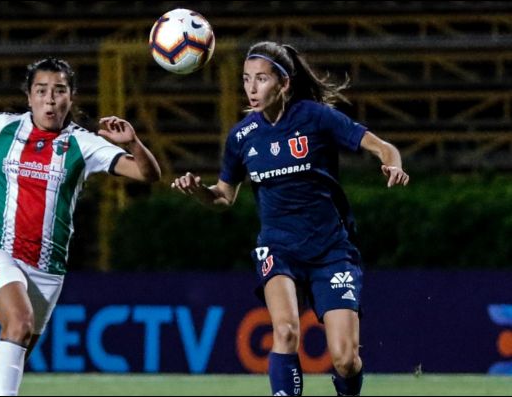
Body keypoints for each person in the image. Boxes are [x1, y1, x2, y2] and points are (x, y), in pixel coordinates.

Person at [0, 57, 161, 396]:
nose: (50, 99)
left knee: (12, 353)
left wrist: (133, 144)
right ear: (29, 96)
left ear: (72, 97)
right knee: (19, 324)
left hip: (47, 270)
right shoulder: (4, 127)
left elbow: (147, 175)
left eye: (59, 91)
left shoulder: (84, 144)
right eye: (41, 90)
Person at [172, 42, 409, 396]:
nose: (251, 88)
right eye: (246, 80)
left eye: (261, 79)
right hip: (278, 248)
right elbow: (224, 197)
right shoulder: (241, 137)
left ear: (283, 84)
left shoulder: (315, 117)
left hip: (331, 250)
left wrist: (393, 163)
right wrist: (198, 192)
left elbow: (382, 146)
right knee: (284, 331)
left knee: (344, 359)